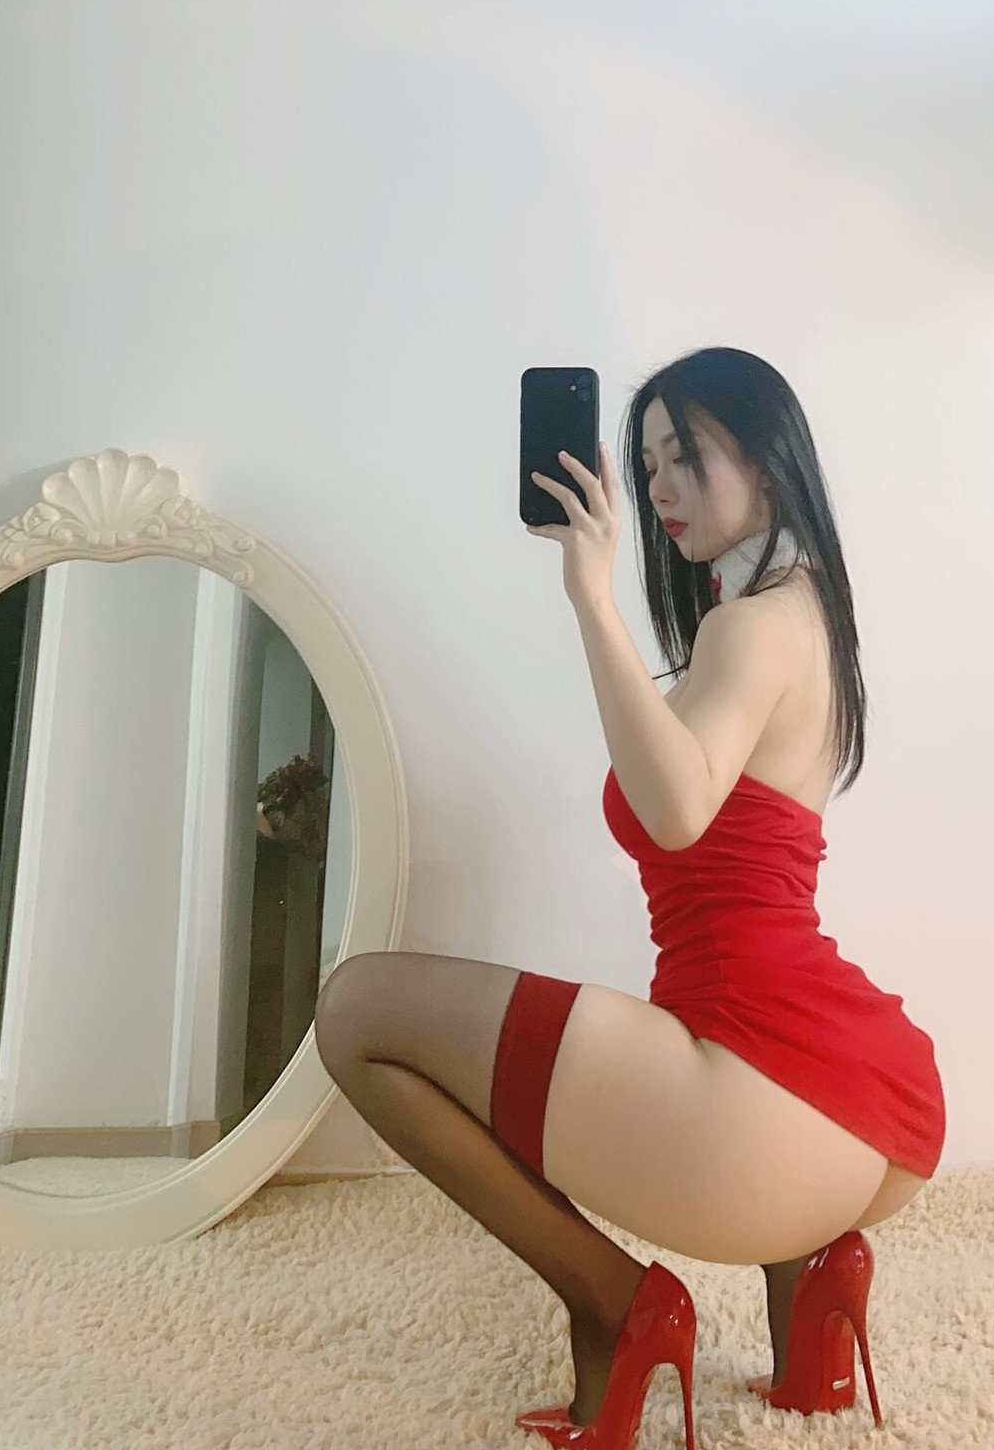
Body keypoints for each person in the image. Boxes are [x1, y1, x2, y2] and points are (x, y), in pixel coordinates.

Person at [313, 345, 945, 1448]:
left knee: (356, 1011)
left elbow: (678, 808)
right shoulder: (802, 617)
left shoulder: (748, 627)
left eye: (683, 455)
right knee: (406, 1011)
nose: (656, 488)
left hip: (752, 1092)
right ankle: (812, 1291)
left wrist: (591, 598)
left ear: (767, 459)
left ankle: (615, 1304)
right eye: (645, 464)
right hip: (862, 1102)